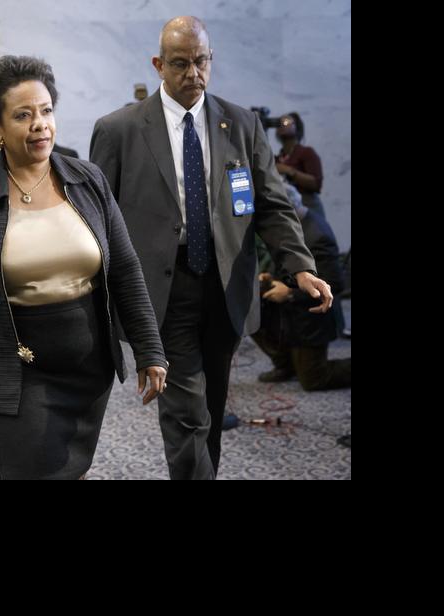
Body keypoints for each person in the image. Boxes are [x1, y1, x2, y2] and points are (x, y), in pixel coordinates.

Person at [89, 16, 333, 480]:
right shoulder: (118, 129)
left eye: (201, 62)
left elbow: (273, 205)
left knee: (212, 408)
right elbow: (99, 218)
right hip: (162, 289)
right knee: (185, 412)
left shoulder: (240, 123)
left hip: (226, 286)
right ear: (159, 64)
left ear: (211, 60)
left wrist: (299, 266)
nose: (192, 74)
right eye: (180, 64)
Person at [0, 56, 168, 480]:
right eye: (23, 115)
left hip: (88, 370)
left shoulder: (87, 180)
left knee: (69, 471)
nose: (40, 124)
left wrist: (149, 348)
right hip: (12, 371)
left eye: (46, 111)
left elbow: (125, 268)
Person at [253, 183, 350, 390]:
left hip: (311, 318)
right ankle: (285, 365)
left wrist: (288, 293)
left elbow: (335, 283)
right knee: (248, 309)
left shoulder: (317, 235)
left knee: (314, 379)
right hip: (292, 313)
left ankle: (292, 363)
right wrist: (271, 277)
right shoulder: (294, 226)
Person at [274, 112, 336, 245]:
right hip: (287, 211)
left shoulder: (306, 153)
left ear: (297, 127)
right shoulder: (276, 159)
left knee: (313, 245)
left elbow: (316, 183)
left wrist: (289, 171)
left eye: (287, 123)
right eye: (279, 124)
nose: (282, 126)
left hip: (308, 207)